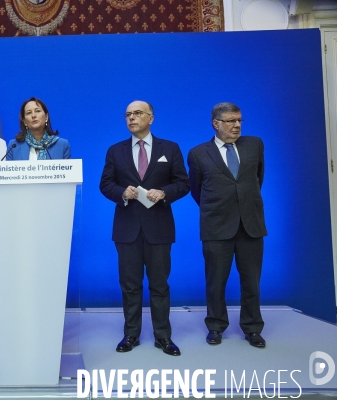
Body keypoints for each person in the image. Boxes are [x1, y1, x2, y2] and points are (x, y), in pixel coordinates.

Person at [99, 100, 189, 356]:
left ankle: (163, 337)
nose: (131, 118)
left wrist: (164, 192)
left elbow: (183, 183)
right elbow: (105, 185)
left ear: (151, 118)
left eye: (137, 113)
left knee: (160, 285)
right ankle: (131, 334)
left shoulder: (169, 149)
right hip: (127, 230)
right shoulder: (115, 151)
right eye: (127, 114)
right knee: (130, 285)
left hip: (159, 228)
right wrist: (121, 192)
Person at [187, 102, 267, 348]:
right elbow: (196, 190)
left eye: (240, 120)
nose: (237, 125)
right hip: (216, 226)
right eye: (231, 121)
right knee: (216, 281)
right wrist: (221, 210)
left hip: (251, 225)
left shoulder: (255, 145)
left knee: (251, 281)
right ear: (216, 124)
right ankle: (215, 326)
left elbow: (257, 179)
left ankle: (252, 329)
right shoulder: (198, 153)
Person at [6, 97, 70, 160]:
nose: (33, 115)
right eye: (29, 112)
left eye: (37, 111)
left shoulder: (62, 145)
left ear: (46, 117)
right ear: (24, 121)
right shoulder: (14, 146)